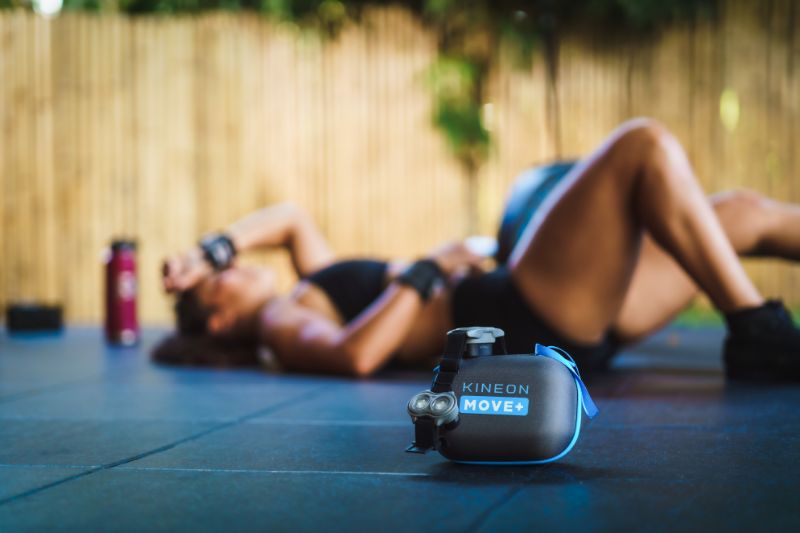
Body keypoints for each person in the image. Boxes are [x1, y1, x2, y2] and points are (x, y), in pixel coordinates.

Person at [158, 118, 800, 380]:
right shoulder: (277, 322)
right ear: (218, 320)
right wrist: (428, 268)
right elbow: (357, 355)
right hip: (523, 311)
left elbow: (291, 219)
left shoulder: (311, 283)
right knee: (643, 146)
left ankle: (755, 327)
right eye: (224, 279)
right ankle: (756, 332)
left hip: (565, 314)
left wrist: (209, 252)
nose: (239, 268)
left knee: (740, 213)